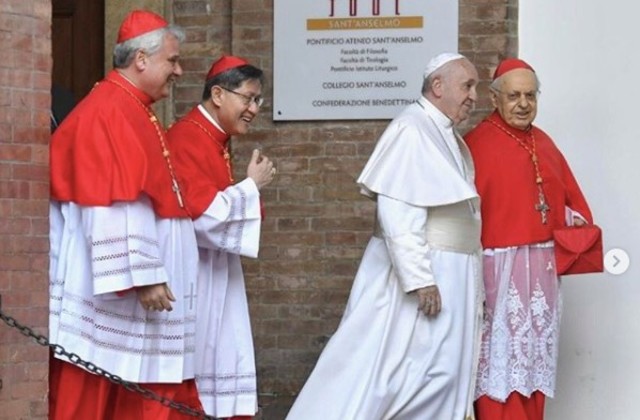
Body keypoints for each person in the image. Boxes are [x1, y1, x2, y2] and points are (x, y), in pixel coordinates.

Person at [286, 52, 483, 420]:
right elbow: (397, 211)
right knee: (389, 371)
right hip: (422, 275)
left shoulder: (441, 131)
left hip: (448, 272)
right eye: (467, 85)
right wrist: (420, 279)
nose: (474, 96)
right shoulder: (412, 128)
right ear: (438, 86)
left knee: (434, 371)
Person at [48, 10, 205, 419]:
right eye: (172, 60)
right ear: (141, 58)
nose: (179, 70)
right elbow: (109, 201)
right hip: (120, 287)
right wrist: (143, 275)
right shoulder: (109, 110)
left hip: (140, 289)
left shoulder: (132, 106)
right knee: (102, 385)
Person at [464, 58, 594, 420]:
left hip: (541, 271)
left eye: (531, 96)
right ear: (495, 98)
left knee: (533, 358)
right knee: (499, 361)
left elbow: (570, 200)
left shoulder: (544, 141)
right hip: (497, 273)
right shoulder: (476, 144)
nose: (524, 104)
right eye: (515, 95)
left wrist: (574, 222)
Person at [166, 55, 275, 420]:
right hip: (194, 274)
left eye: (258, 100)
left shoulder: (215, 139)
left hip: (213, 271)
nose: (254, 109)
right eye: (248, 98)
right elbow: (200, 216)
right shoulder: (186, 137)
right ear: (218, 93)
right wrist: (251, 187)